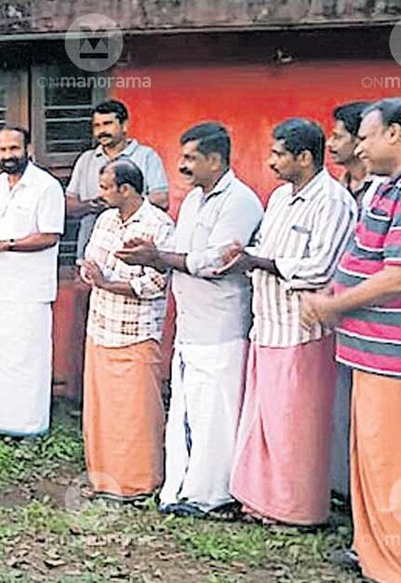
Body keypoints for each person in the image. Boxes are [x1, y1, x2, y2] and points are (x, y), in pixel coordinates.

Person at [301, 98, 401, 582]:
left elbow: (400, 276)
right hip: (373, 353)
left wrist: (332, 305)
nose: (359, 147)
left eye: (366, 137)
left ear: (395, 134)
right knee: (371, 458)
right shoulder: (395, 186)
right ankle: (374, 556)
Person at [116, 122, 263, 518]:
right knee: (186, 409)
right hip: (190, 327)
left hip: (221, 328)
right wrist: (151, 253)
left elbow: (214, 262)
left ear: (214, 160)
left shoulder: (239, 202)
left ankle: (212, 495)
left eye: (189, 158)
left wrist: (155, 257)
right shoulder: (196, 200)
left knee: (215, 412)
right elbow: (181, 253)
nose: (181, 166)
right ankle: (180, 489)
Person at [220, 119, 356, 526]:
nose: (271, 161)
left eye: (279, 154)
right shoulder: (279, 197)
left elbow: (319, 269)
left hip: (303, 331)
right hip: (268, 325)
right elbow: (267, 248)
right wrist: (246, 253)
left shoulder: (332, 202)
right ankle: (261, 502)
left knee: (296, 428)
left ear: (304, 157)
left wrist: (256, 260)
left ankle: (298, 511)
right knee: (264, 421)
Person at [77, 158, 173, 502]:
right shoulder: (104, 220)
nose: (100, 194)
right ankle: (105, 480)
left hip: (136, 331)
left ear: (126, 189)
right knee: (103, 409)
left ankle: (140, 483)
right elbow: (92, 262)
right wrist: (93, 275)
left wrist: (105, 281)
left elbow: (155, 283)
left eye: (105, 188)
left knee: (137, 412)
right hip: (101, 327)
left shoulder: (158, 226)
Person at [65, 100, 170, 398]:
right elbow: (69, 203)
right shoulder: (87, 160)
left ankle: (129, 400)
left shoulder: (145, 157)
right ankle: (82, 397)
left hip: (134, 259)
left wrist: (127, 200)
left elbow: (162, 199)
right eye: (97, 126)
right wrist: (94, 205)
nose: (102, 131)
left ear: (124, 125)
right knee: (88, 327)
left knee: (128, 329)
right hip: (91, 255)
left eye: (108, 124)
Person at [0, 127, 64, 438]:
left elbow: (49, 236)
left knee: (28, 358)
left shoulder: (46, 186)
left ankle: (30, 427)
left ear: (29, 148)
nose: (8, 155)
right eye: (2, 150)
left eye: (14, 148)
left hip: (29, 289)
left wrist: (5, 244)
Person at [326, 100, 389, 500]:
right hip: (338, 316)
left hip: (374, 320)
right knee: (340, 406)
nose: (330, 144)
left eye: (339, 136)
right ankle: (342, 487)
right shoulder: (338, 190)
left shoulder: (381, 192)